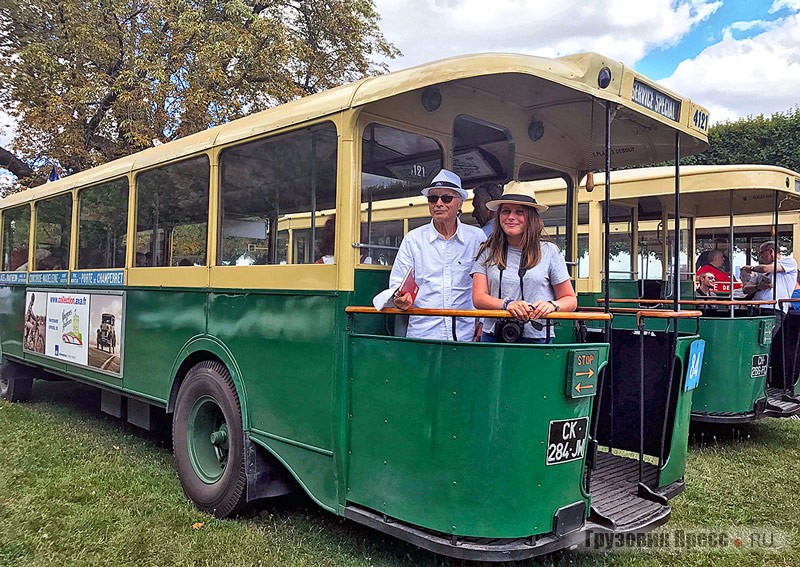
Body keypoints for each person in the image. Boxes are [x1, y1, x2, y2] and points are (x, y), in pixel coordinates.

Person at [385, 169, 485, 341]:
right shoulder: (413, 240)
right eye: (433, 198)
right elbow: (397, 284)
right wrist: (400, 298)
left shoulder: (476, 238)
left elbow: (488, 284)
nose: (438, 203)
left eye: (446, 198)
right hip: (423, 334)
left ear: (460, 203)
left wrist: (483, 323)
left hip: (464, 335)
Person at [471, 181, 577, 343]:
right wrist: (507, 305)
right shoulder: (487, 250)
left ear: (531, 217)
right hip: (493, 336)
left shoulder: (549, 251)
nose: (511, 217)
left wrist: (552, 305)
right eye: (506, 211)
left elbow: (570, 299)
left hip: (536, 339)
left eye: (519, 212)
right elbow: (478, 298)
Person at [742, 241, 799, 332]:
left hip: (773, 309)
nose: (760, 256)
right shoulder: (759, 270)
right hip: (755, 308)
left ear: (771, 251)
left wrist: (751, 268)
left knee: (765, 340)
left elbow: (764, 269)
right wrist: (758, 287)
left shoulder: (788, 262)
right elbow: (745, 289)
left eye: (761, 253)